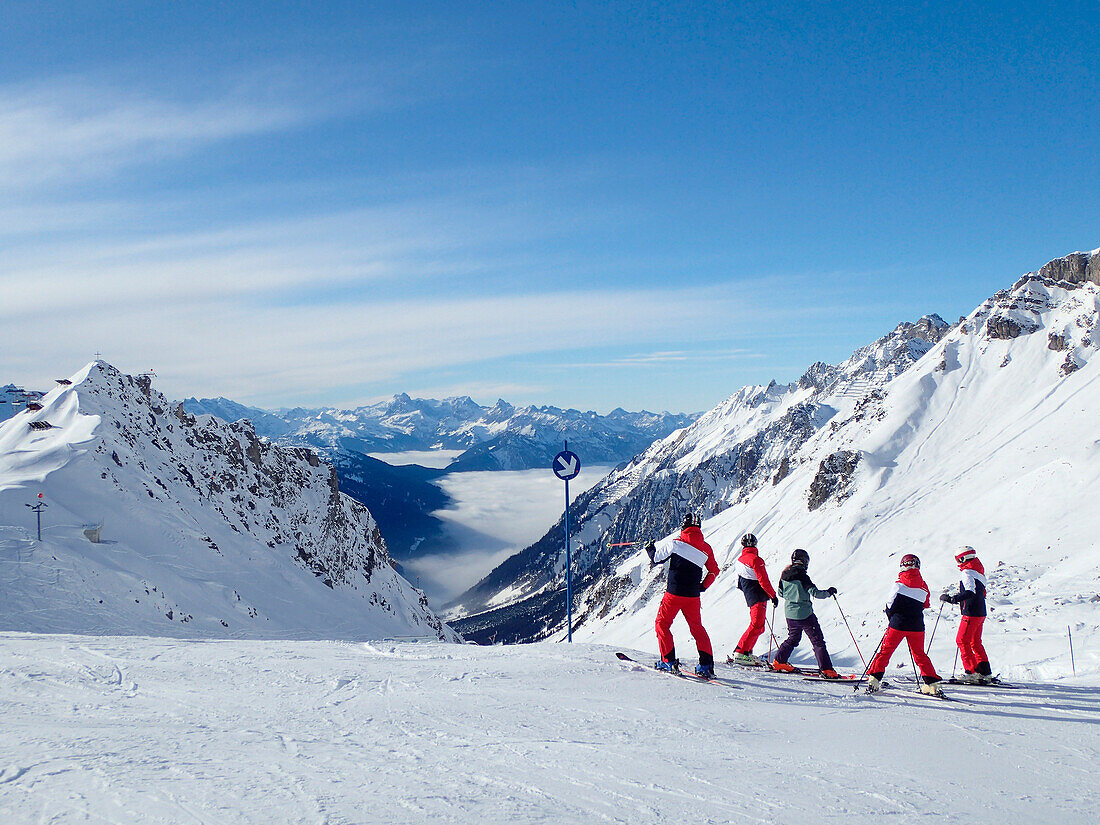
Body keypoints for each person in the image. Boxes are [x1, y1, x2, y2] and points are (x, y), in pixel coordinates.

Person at [646, 513, 720, 678]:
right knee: (697, 629)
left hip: (673, 594)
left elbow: (656, 559)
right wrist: (703, 587)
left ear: (683, 527)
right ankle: (706, 666)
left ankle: (668, 661)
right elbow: (714, 570)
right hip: (693, 596)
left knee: (662, 625)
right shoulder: (706, 548)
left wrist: (649, 548)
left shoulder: (676, 543)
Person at [866, 554, 944, 696]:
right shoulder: (923, 586)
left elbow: (890, 606)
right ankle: (932, 684)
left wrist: (892, 619)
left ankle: (874, 680)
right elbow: (926, 604)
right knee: (920, 654)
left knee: (886, 651)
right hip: (917, 626)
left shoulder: (898, 585)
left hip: (898, 624)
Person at [771, 549, 841, 678]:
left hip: (790, 614)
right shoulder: (802, 576)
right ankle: (827, 670)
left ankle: (779, 661)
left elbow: (781, 594)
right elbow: (815, 593)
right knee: (817, 641)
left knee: (793, 638)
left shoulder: (784, 575)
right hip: (805, 614)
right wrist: (829, 592)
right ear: (804, 561)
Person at [940, 545, 993, 683]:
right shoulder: (979, 572)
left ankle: (971, 672)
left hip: (971, 612)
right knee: (975, 642)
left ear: (963, 558)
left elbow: (970, 592)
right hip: (981, 611)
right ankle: (985, 672)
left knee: (962, 640)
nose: (958, 563)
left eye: (958, 560)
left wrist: (952, 599)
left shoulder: (967, 572)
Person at [729, 532, 777, 665]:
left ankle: (746, 651)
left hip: (750, 595)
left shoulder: (739, 560)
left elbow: (739, 582)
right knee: (757, 625)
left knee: (759, 626)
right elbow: (764, 581)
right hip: (758, 595)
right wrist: (773, 596)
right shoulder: (756, 560)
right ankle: (741, 651)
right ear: (755, 544)